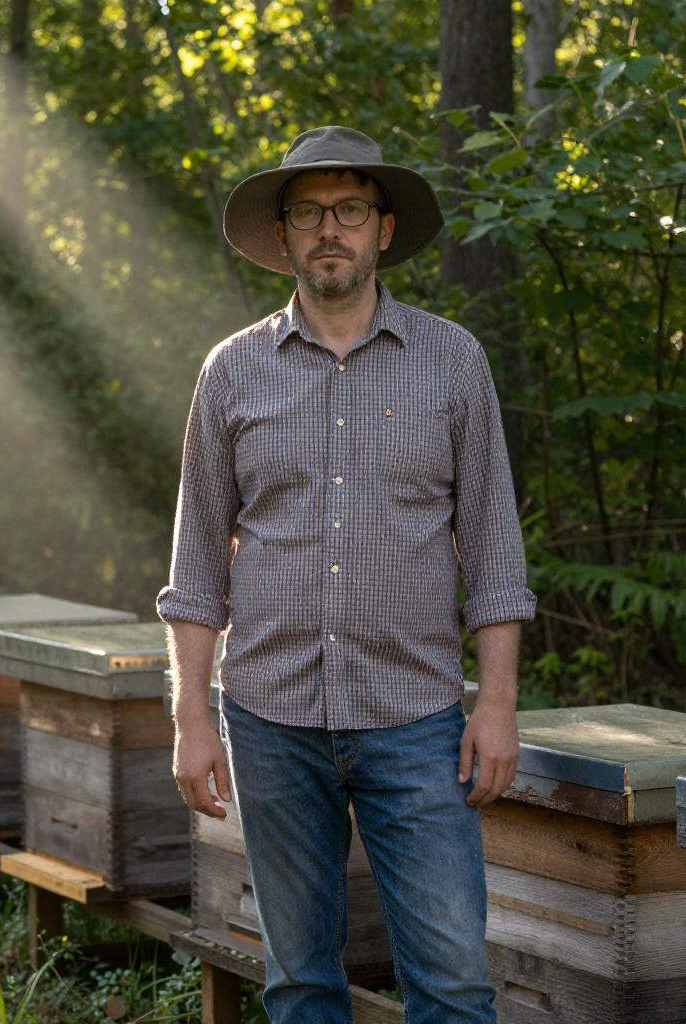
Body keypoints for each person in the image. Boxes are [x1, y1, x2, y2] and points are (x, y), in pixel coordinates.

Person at [155, 125, 537, 1024]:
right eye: (309, 212)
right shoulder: (231, 372)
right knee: (300, 984)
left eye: (351, 209)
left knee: (453, 985)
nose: (331, 228)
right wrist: (189, 717)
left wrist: (497, 703)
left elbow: (493, 549)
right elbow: (197, 563)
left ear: (384, 229)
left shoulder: (453, 360)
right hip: (270, 720)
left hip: (417, 719)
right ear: (281, 234)